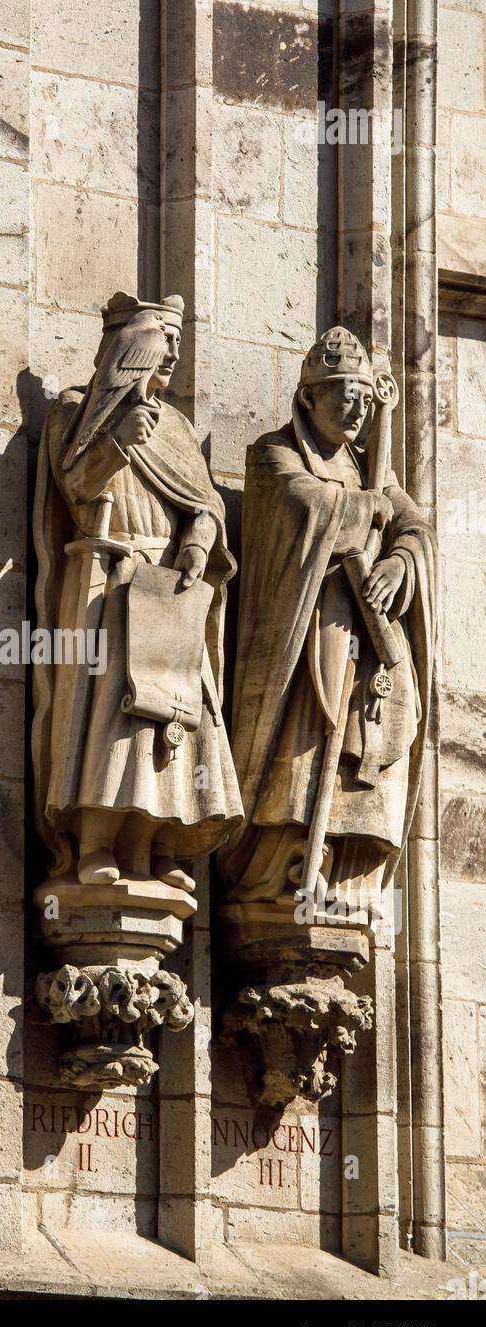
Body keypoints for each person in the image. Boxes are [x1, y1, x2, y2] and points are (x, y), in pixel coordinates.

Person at [219, 326, 438, 923]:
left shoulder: (375, 470)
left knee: (368, 747)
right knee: (307, 743)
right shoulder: (274, 453)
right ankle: (278, 867)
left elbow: (416, 528)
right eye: (345, 393)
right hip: (310, 634)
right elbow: (304, 505)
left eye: (367, 399)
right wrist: (371, 507)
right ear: (309, 395)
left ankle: (345, 872)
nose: (359, 409)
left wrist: (399, 560)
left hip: (367, 640)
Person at [33, 291, 242, 894]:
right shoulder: (75, 410)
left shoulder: (175, 426)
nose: (175, 352)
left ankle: (153, 844)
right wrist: (117, 438)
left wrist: (200, 541)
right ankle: (96, 842)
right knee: (110, 717)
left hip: (168, 583)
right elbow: (74, 486)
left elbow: (204, 505)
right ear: (129, 346)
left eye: (179, 339)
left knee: (172, 718)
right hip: (106, 580)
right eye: (163, 337)